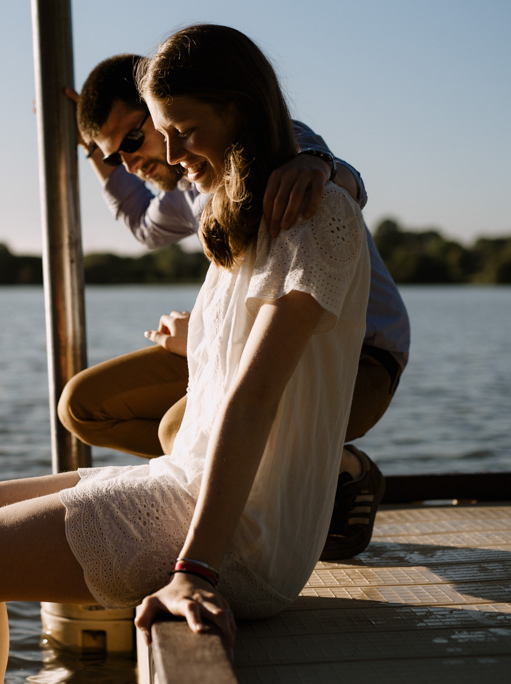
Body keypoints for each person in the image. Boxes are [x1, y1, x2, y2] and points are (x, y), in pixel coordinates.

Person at [0, 24, 374, 683]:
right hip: (184, 478)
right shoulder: (237, 216)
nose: (168, 153)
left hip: (247, 540)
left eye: (183, 130)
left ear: (240, 109)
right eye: (161, 131)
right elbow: (223, 364)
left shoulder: (317, 216)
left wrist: (194, 572)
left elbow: (254, 400)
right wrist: (190, 337)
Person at [58, 52, 410, 560]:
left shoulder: (271, 144)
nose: (130, 163)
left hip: (359, 357)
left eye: (133, 140)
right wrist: (96, 152)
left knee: (177, 428)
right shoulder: (190, 191)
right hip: (248, 347)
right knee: (83, 406)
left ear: (164, 111)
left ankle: (340, 471)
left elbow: (331, 180)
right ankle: (284, 474)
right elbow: (139, 221)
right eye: (117, 157)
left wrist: (322, 165)